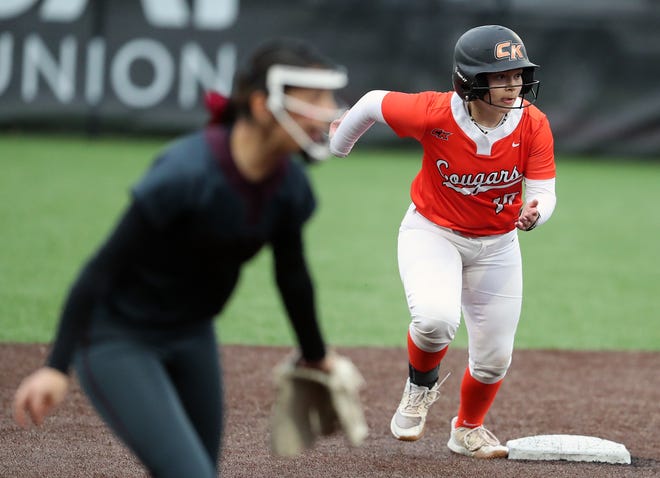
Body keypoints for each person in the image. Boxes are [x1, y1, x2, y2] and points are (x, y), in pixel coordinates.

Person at [13, 38, 348, 477]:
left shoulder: (289, 185)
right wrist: (57, 367)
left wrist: (314, 354)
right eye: (314, 99)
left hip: (192, 335)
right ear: (264, 105)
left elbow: (291, 274)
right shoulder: (185, 174)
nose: (328, 111)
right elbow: (101, 270)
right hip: (118, 339)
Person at [329, 25, 556, 458]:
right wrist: (338, 144)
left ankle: (467, 430)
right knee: (435, 319)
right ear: (469, 80)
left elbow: (545, 189)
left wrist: (537, 210)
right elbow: (374, 102)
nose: (514, 85)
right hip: (433, 232)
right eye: (501, 75)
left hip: (499, 244)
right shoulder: (435, 113)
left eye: (517, 74)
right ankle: (419, 387)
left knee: (494, 359)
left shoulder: (532, 123)